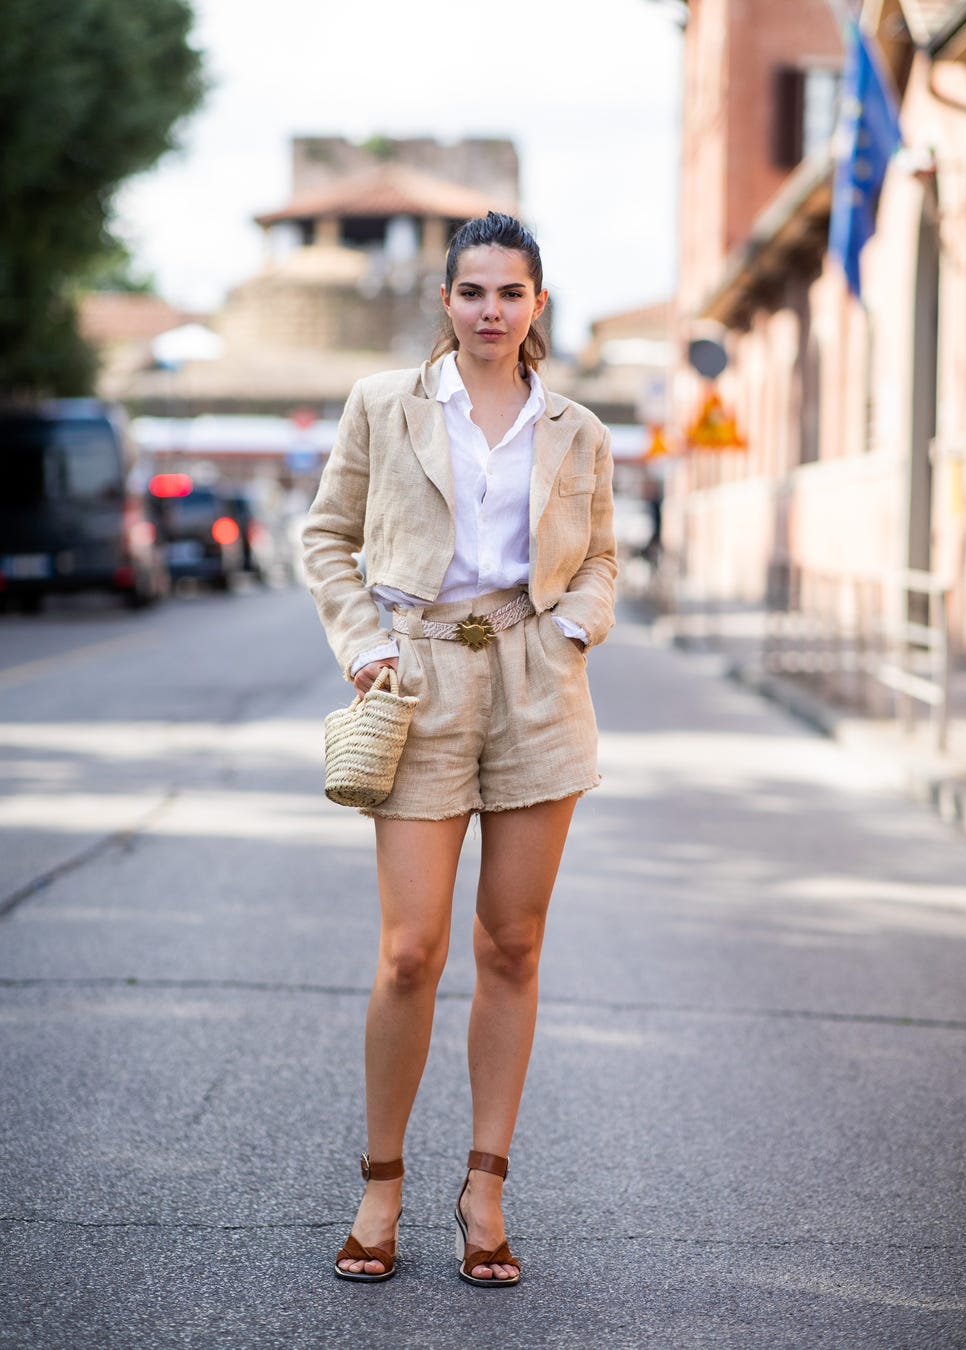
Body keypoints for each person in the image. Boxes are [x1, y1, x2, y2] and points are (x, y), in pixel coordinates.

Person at [302, 211, 617, 1287]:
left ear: (537, 303)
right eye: (471, 291)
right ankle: (380, 1180)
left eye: (509, 292)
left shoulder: (575, 426)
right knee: (409, 953)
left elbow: (603, 559)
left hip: (536, 682)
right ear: (445, 300)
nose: (490, 310)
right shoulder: (383, 407)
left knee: (511, 948)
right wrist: (361, 645)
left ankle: (483, 1186)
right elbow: (326, 538)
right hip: (416, 675)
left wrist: (572, 628)